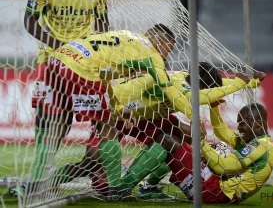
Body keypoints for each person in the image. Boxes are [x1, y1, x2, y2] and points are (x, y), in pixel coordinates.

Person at [23, 23, 198, 202]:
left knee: (56, 129)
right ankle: (116, 189)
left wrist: (118, 108)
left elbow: (103, 77)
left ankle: (35, 185)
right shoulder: (152, 55)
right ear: (160, 41)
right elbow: (167, 87)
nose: (167, 55)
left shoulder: (126, 36)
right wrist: (195, 117)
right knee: (108, 129)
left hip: (57, 60)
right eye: (169, 48)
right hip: (82, 69)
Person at [25, 0, 109, 155]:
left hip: (85, 62)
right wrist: (59, 46)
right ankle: (43, 159)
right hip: (50, 59)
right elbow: (29, 21)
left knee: (100, 115)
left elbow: (103, 24)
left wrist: (99, 49)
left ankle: (97, 164)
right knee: (46, 112)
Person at [153, 101, 273, 203]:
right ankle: (149, 187)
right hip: (215, 185)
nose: (238, 128)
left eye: (242, 123)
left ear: (258, 124)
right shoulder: (254, 141)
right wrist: (214, 105)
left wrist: (202, 143)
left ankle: (147, 188)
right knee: (175, 140)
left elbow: (223, 167)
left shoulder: (262, 146)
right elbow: (221, 131)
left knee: (167, 141)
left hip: (215, 192)